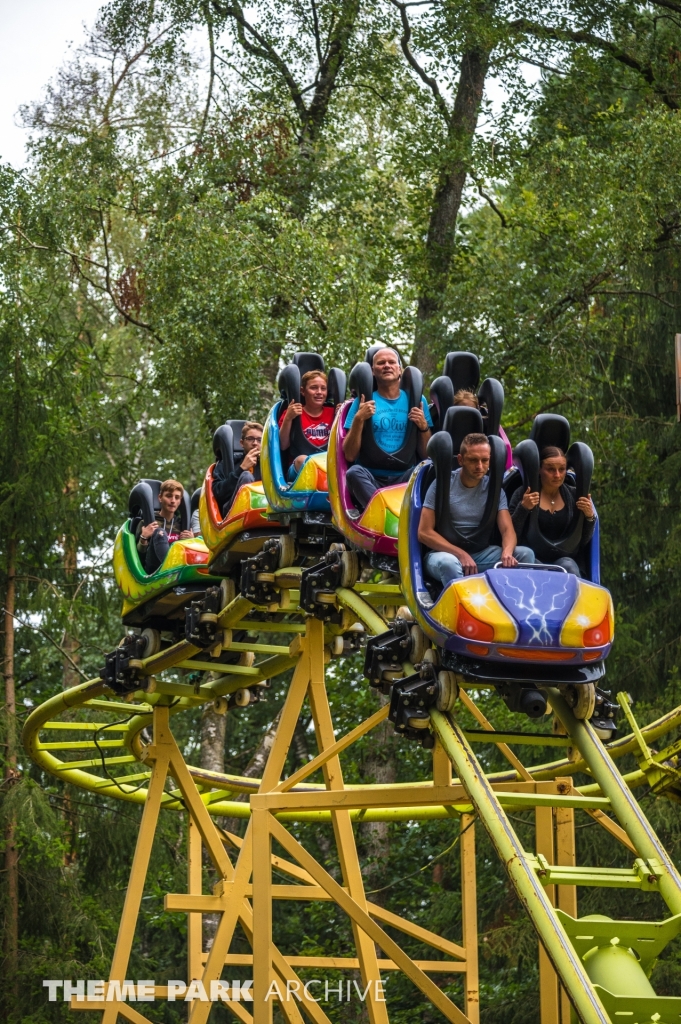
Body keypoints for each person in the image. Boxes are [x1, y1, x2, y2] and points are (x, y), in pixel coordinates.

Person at [418, 432, 535, 584]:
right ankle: (460, 606)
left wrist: (507, 551)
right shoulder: (441, 485)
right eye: (473, 460)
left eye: (484, 460)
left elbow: (507, 530)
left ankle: (513, 604)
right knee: (449, 564)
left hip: (480, 554)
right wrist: (460, 554)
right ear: (460, 460)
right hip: (445, 554)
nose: (480, 466)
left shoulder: (494, 490)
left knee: (525, 554)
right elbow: (424, 532)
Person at [343, 347, 433, 509]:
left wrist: (423, 427)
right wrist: (358, 419)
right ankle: (383, 511)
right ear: (372, 371)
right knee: (353, 473)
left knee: (430, 468)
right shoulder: (362, 401)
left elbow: (426, 453)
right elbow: (350, 455)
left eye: (391, 362)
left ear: (400, 370)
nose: (387, 366)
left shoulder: (417, 401)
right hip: (370, 477)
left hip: (404, 477)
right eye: (381, 363)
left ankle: (388, 510)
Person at [509, 445, 596, 576]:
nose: (557, 475)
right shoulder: (522, 493)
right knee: (534, 569)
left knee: (569, 566)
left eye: (562, 469)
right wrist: (523, 508)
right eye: (550, 469)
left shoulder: (573, 495)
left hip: (564, 558)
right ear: (539, 469)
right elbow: (509, 535)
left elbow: (582, 542)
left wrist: (589, 518)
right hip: (531, 557)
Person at [278, 370, 335, 479]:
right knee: (303, 460)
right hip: (299, 468)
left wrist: (340, 415)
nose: (319, 392)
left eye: (323, 388)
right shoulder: (292, 412)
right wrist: (288, 418)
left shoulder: (332, 412)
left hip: (327, 465)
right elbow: (283, 445)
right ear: (303, 391)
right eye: (313, 388)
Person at [136, 478, 193, 574]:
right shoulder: (147, 522)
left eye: (177, 497)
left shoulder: (183, 525)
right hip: (153, 571)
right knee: (159, 532)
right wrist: (144, 538)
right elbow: (138, 556)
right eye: (169, 496)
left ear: (180, 501)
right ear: (160, 498)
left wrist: (192, 541)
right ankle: (171, 570)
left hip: (179, 568)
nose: (173, 501)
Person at [212, 421, 263, 517]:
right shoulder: (227, 462)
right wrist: (241, 469)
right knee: (246, 475)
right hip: (232, 514)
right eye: (250, 439)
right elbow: (218, 494)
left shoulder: (267, 466)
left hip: (262, 509)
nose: (255, 443)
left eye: (259, 440)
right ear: (242, 443)